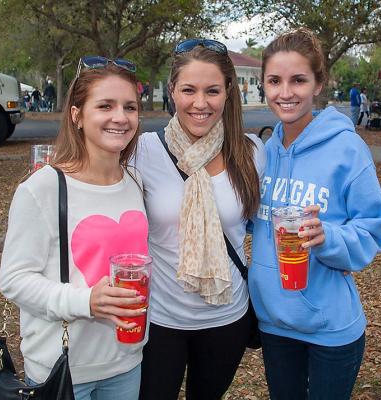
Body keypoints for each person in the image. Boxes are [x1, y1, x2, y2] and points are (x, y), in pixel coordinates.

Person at [249, 28, 381, 400]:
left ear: (318, 83)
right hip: (274, 323)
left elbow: (372, 228)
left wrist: (329, 237)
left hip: (330, 328)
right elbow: (250, 219)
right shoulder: (266, 151)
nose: (285, 92)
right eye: (274, 81)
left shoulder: (348, 149)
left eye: (298, 80)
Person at [0, 57, 149, 400]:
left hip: (127, 360)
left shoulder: (135, 181)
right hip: (63, 367)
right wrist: (86, 301)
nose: (120, 117)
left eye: (130, 107)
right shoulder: (44, 187)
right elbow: (14, 279)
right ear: (77, 115)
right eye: (105, 106)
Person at [134, 38, 266, 400]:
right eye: (188, 89)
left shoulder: (252, 152)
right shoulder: (142, 151)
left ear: (228, 93)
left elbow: (268, 222)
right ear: (172, 91)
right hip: (160, 320)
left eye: (212, 90)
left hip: (227, 318)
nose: (200, 103)